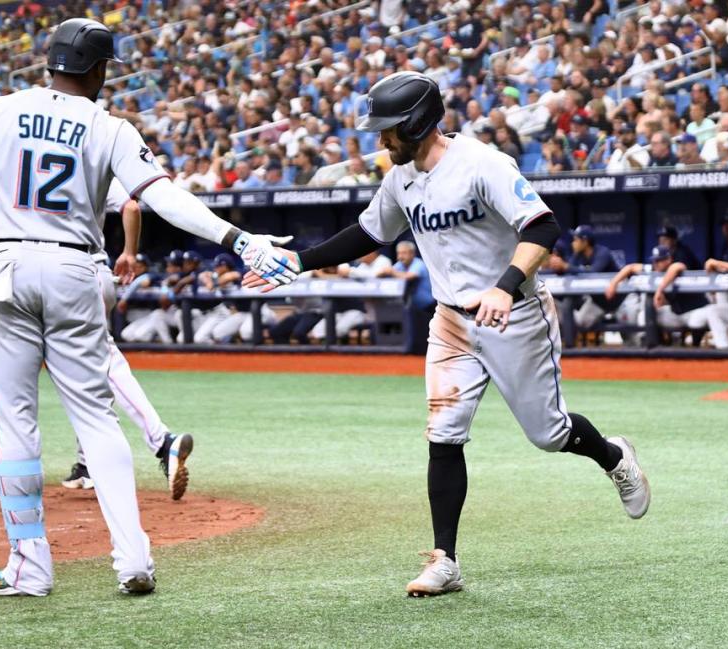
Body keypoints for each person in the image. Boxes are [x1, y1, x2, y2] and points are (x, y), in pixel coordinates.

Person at [0, 18, 296, 599]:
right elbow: (161, 197)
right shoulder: (109, 126)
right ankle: (133, 559)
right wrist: (238, 240)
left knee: (14, 422)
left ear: (50, 63)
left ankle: (29, 566)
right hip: (74, 268)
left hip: (3, 264)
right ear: (98, 69)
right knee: (95, 416)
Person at [244, 72, 650, 597]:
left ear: (417, 123)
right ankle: (446, 560)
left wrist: (505, 286)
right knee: (443, 433)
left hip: (515, 315)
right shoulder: (401, 177)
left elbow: (543, 226)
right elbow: (369, 233)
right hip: (451, 321)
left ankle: (614, 456)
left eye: (389, 130)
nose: (382, 140)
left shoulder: (482, 164)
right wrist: (299, 261)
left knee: (548, 434)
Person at [61, 178, 193, 500]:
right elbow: (132, 206)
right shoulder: (95, 157)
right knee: (85, 369)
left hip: (60, 272)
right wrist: (130, 252)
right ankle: (86, 463)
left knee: (100, 363)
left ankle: (162, 441)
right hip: (97, 270)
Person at [606, 246, 728, 350]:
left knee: (711, 312)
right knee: (646, 313)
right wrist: (614, 283)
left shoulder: (677, 265)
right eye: (655, 260)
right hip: (677, 314)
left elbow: (676, 267)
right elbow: (631, 267)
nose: (657, 263)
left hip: (695, 312)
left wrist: (660, 290)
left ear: (668, 259)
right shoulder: (654, 269)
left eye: (660, 260)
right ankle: (651, 346)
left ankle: (724, 349)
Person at [548, 225, 621, 330]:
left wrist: (565, 266)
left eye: (576, 240)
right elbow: (568, 271)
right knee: (577, 321)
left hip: (618, 299)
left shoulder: (602, 253)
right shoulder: (578, 255)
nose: (573, 243)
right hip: (597, 300)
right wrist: (560, 268)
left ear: (585, 241)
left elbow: (593, 273)